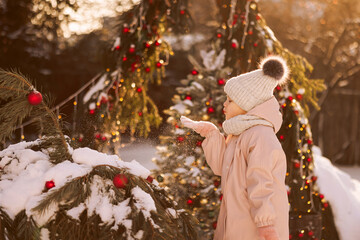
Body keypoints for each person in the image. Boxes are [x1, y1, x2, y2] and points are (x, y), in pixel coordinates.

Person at [180, 56, 290, 240]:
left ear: (248, 105)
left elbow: (261, 180)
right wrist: (212, 135)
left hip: (257, 227)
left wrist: (265, 223)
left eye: (230, 100)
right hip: (236, 219)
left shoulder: (260, 136)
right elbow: (222, 166)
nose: (224, 104)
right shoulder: (239, 134)